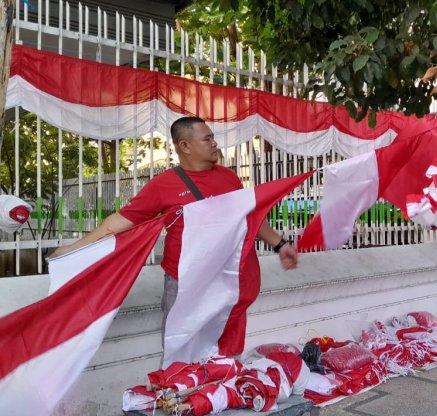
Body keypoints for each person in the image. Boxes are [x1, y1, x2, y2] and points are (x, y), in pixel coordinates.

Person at [49, 116, 298, 332]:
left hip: (226, 277)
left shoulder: (229, 177)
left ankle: (221, 386)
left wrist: (280, 245)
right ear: (185, 146)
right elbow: (119, 221)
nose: (215, 143)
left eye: (213, 138)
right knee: (181, 347)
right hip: (184, 281)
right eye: (207, 139)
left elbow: (250, 216)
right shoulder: (163, 185)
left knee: (224, 345)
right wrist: (74, 249)